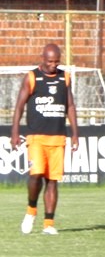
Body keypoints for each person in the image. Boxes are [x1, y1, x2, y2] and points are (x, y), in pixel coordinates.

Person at [11, 43, 79, 235]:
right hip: (36, 136)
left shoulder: (64, 77)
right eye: (50, 61)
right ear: (43, 58)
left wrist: (75, 133)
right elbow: (19, 106)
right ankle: (31, 210)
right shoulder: (32, 77)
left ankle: (48, 224)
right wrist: (15, 132)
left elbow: (70, 106)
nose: (53, 65)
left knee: (53, 180)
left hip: (57, 136)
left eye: (56, 62)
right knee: (36, 174)